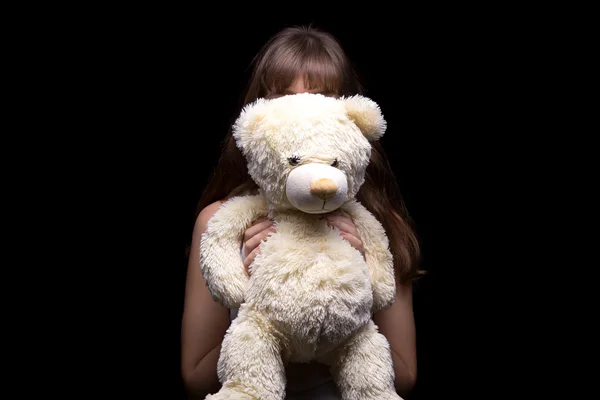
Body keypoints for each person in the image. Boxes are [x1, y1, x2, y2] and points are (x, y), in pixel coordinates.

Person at [181, 25, 423, 399]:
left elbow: (404, 376)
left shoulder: (378, 223)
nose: (302, 112)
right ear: (258, 115)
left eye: (320, 96)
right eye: (283, 96)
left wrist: (358, 273)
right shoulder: (220, 221)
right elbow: (196, 376)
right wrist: (255, 295)